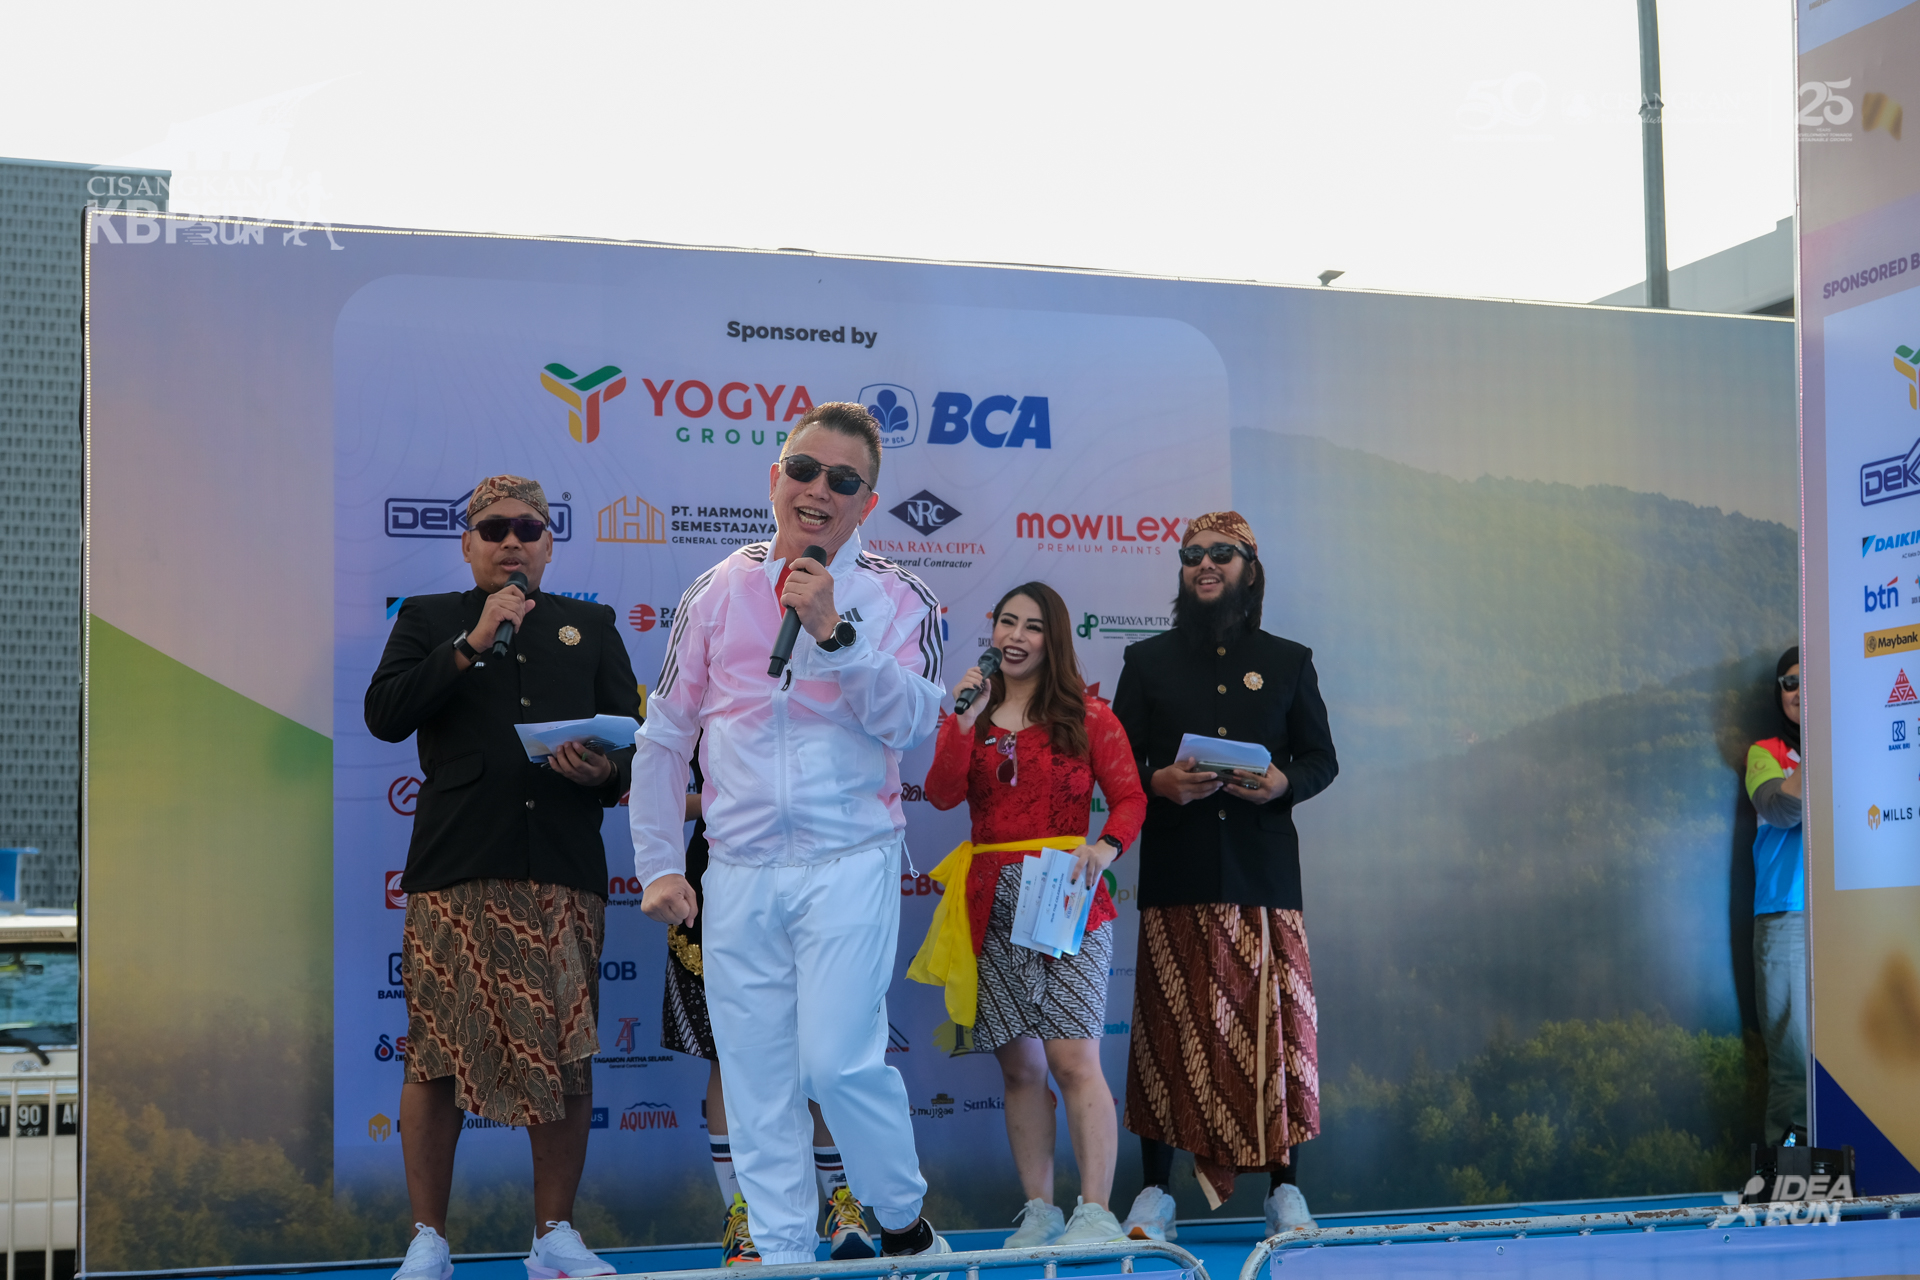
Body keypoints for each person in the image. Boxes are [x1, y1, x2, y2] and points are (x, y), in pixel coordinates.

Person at [630, 403, 951, 1268]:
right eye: (804, 470)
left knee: (838, 1065)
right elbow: (665, 736)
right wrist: (658, 862)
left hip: (849, 860)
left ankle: (902, 1220)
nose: (818, 490)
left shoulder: (899, 596)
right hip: (737, 870)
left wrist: (834, 634)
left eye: (842, 480)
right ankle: (779, 1254)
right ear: (775, 479)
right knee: (758, 1079)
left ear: (866, 503)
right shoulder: (715, 590)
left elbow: (913, 721)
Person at [364, 475, 641, 1280]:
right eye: (493, 529)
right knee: (437, 1053)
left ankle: (554, 1236)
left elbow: (634, 746)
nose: (511, 541)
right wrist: (471, 641)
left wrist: (602, 771)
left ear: (549, 543)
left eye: (528, 528)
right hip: (456, 868)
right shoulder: (429, 619)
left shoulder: (591, 627)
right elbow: (386, 716)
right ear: (468, 544)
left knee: (567, 1054)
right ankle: (428, 1240)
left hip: (561, 869)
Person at [1110, 510, 1338, 1241]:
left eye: (1222, 553)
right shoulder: (1147, 661)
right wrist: (1158, 782)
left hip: (1263, 882)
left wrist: (1282, 784)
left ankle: (1285, 1192)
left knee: (1276, 1035)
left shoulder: (1288, 660)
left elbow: (1321, 759)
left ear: (1249, 569)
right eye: (1192, 555)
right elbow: (1119, 764)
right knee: (1167, 1036)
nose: (1205, 564)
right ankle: (1154, 1195)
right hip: (1176, 876)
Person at [915, 582, 1148, 1248]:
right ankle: (1040, 1211)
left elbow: (1130, 798)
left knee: (1073, 1059)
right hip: (991, 898)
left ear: (1054, 639)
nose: (1015, 637)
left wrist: (1103, 847)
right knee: (1020, 1068)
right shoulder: (972, 712)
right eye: (1007, 623)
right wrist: (962, 722)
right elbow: (939, 794)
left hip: (1066, 898)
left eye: (1033, 626)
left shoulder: (1088, 714)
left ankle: (1096, 1213)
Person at [661, 763, 875, 1266]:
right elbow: (652, 788)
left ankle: (842, 1203)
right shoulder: (694, 708)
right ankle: (745, 1216)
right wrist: (727, 799)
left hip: (824, 875)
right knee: (731, 1058)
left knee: (823, 1049)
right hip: (726, 883)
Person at [1746, 647, 1806, 1145]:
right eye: (1790, 683)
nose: (1800, 691)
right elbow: (1783, 811)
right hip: (1786, 918)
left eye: (1811, 681)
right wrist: (1824, 735)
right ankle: (1791, 1182)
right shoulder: (1763, 753)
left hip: (1851, 917)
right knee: (1793, 1066)